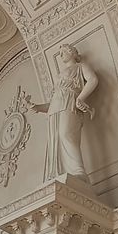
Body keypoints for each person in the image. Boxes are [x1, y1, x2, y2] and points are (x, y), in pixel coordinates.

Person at [31, 44, 98, 180]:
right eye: (60, 53)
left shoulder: (80, 67)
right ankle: (59, 173)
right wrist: (38, 107)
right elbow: (54, 100)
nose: (61, 55)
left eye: (63, 52)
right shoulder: (59, 75)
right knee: (55, 139)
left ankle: (79, 171)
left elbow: (93, 80)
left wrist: (81, 97)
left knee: (66, 134)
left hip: (70, 103)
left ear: (72, 53)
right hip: (56, 108)